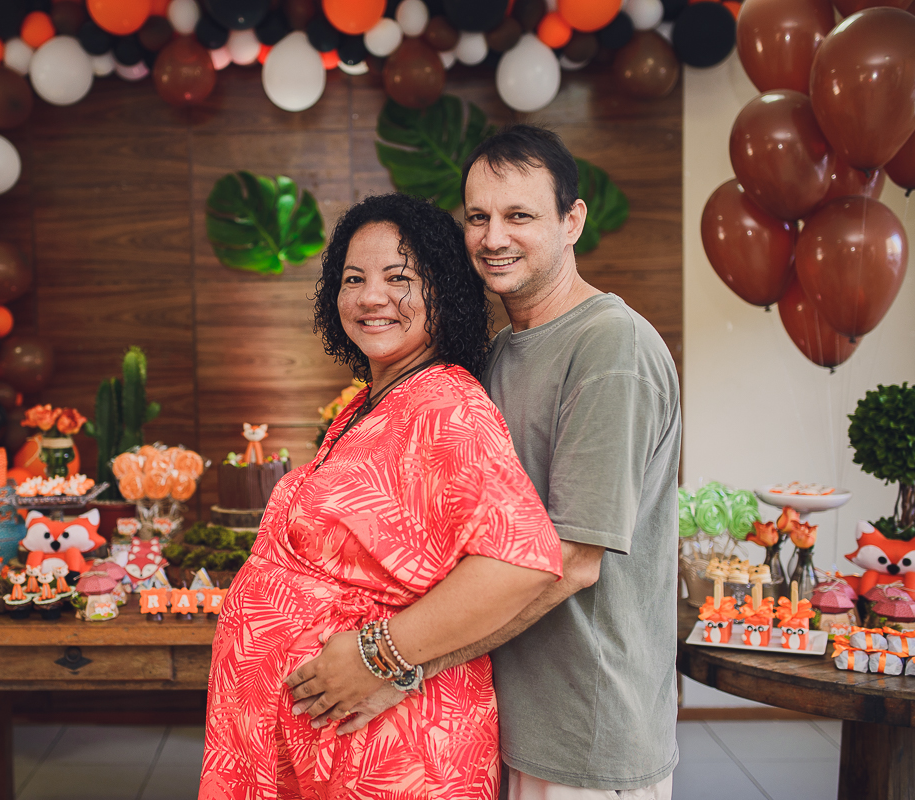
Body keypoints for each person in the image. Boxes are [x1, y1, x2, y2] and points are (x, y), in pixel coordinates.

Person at [298, 126, 682, 799]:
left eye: (519, 216)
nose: (493, 237)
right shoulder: (498, 354)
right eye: (478, 217)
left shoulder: (610, 347)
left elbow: (568, 560)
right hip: (496, 720)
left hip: (584, 735)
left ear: (572, 221)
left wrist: (388, 661)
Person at [199, 193, 563, 800]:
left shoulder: (448, 407)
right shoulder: (368, 405)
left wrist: (378, 656)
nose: (371, 297)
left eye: (399, 278)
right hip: (320, 739)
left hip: (388, 747)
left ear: (443, 290)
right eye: (353, 278)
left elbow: (522, 562)